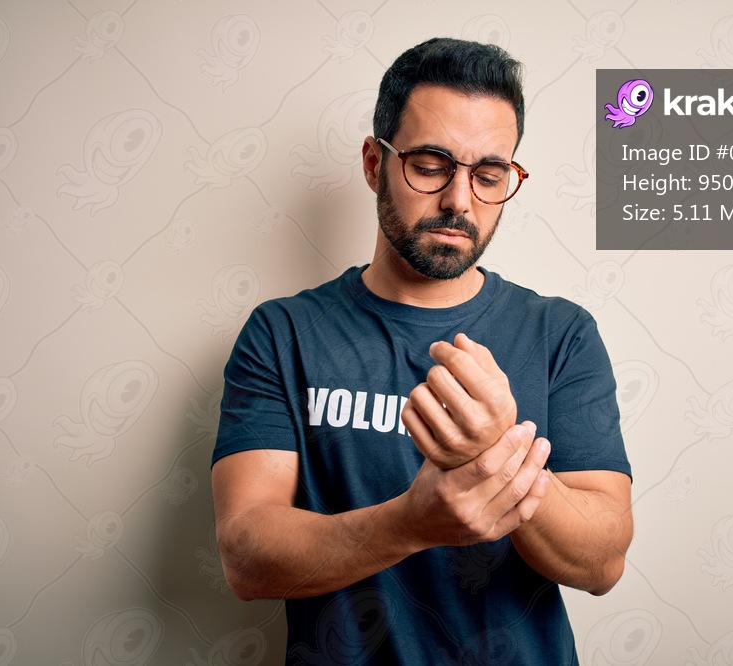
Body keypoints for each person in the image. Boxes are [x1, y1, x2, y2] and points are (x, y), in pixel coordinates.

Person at [211, 37, 633, 665]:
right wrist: (409, 524)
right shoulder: (283, 333)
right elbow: (247, 556)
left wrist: (494, 451)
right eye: (432, 165)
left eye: (489, 175)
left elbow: (601, 560)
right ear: (374, 163)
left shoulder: (561, 333)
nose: (460, 201)